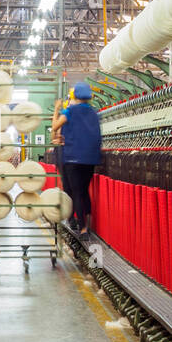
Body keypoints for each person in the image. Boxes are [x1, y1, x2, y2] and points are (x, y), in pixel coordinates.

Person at [52, 81, 102, 234]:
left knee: (76, 193)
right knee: (84, 190)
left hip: (73, 158)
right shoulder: (94, 113)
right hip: (91, 159)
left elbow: (54, 127)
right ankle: (88, 221)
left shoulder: (70, 111)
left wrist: (56, 110)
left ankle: (83, 228)